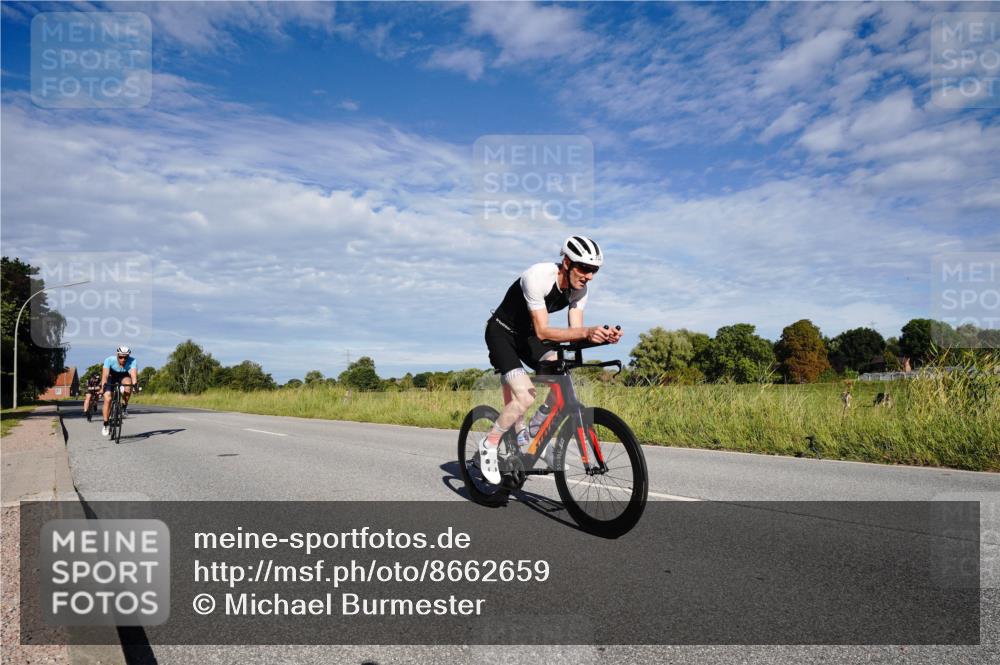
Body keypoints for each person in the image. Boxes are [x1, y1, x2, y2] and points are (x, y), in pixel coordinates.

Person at [480, 236, 622, 483]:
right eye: (584, 268)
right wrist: (587, 331)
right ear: (566, 262)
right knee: (525, 395)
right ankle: (489, 444)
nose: (589, 276)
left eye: (594, 271)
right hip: (502, 333)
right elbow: (544, 331)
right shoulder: (538, 276)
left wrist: (599, 337)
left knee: (561, 376)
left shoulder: (580, 291)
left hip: (529, 337)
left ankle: (533, 433)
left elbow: (575, 334)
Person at [100, 345, 138, 437]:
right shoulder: (109, 360)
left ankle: (124, 406)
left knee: (128, 387)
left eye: (125, 357)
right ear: (117, 355)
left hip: (123, 376)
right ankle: (105, 424)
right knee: (108, 398)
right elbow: (105, 375)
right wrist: (103, 387)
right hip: (111, 377)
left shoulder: (132, 361)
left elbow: (133, 375)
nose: (123, 359)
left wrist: (135, 384)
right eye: (120, 357)